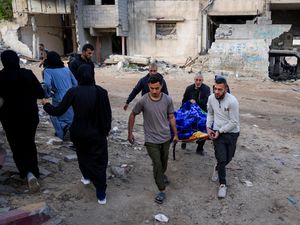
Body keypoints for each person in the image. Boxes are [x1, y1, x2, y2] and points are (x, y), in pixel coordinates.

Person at [42, 64, 112, 205]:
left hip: (79, 132)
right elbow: (107, 114)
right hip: (97, 133)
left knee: (83, 155)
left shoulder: (73, 92)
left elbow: (58, 111)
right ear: (92, 74)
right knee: (99, 162)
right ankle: (101, 194)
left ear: (78, 76)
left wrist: (46, 105)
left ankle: (86, 176)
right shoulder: (101, 92)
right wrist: (106, 130)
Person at [127, 74, 178, 204]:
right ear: (148, 87)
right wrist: (130, 133)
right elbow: (133, 114)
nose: (154, 91)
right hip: (151, 139)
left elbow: (171, 117)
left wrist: (176, 134)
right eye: (151, 88)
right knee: (157, 163)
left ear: (161, 86)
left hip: (165, 137)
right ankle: (161, 190)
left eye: (157, 88)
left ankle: (162, 174)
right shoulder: (143, 100)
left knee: (163, 161)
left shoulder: (167, 100)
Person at [0, 50, 45, 192]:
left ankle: (25, 173)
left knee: (16, 144)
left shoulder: (0, 77)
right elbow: (41, 93)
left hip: (9, 117)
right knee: (29, 142)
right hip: (29, 115)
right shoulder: (27, 74)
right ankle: (34, 172)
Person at [206, 76, 240, 198]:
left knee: (228, 158)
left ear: (225, 88)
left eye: (220, 89)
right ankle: (222, 184)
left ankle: (218, 167)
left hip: (232, 132)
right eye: (215, 88)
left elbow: (234, 122)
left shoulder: (232, 101)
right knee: (221, 158)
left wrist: (220, 130)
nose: (217, 92)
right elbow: (210, 113)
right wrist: (208, 127)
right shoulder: (211, 98)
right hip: (217, 132)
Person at [43, 51, 77, 140]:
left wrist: (48, 94)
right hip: (70, 97)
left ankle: (61, 133)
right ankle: (70, 131)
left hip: (58, 97)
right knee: (69, 117)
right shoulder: (66, 69)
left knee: (55, 116)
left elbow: (47, 84)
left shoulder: (47, 70)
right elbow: (75, 83)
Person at [181, 72, 210, 155]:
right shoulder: (189, 88)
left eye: (200, 80)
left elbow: (205, 102)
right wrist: (188, 104)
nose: (198, 82)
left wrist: (195, 102)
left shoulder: (206, 89)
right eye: (196, 80)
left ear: (202, 80)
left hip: (201, 112)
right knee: (185, 125)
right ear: (194, 80)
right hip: (189, 112)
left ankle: (200, 148)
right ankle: (184, 141)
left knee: (204, 129)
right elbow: (183, 101)